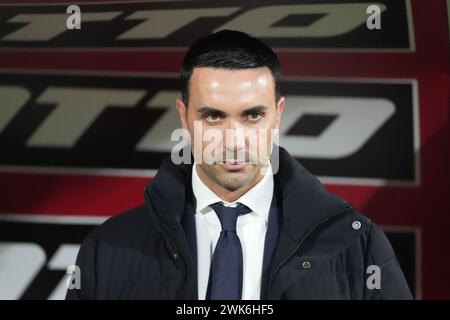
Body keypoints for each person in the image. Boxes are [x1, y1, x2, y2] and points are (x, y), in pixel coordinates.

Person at [66, 30, 412, 300]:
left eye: (252, 115)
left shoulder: (356, 243)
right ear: (184, 117)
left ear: (277, 114)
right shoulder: (108, 248)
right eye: (213, 116)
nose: (233, 140)